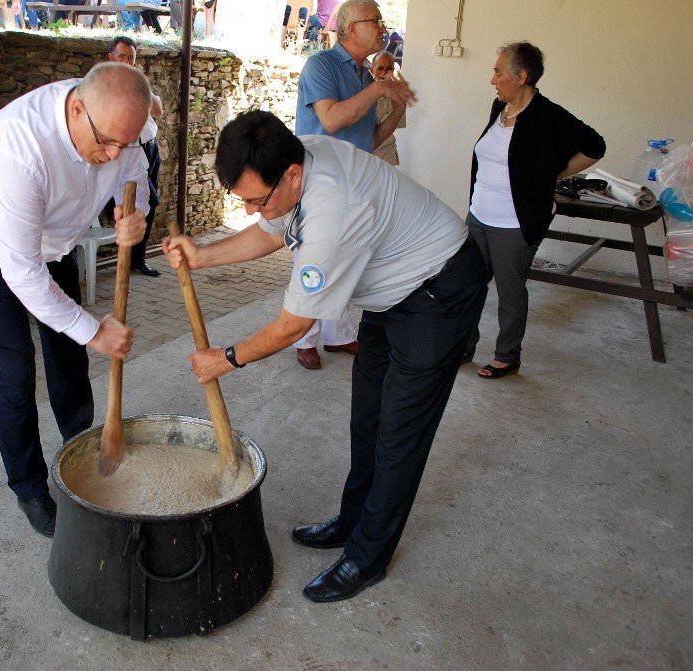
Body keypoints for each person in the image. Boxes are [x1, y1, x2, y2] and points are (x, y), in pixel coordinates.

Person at [162, 110, 487, 603]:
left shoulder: (335, 211)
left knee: (400, 436)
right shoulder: (300, 154)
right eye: (242, 199)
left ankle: (367, 557)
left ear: (292, 175)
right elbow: (273, 228)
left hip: (438, 295)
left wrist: (224, 359)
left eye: (255, 199)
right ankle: (353, 522)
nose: (251, 210)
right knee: (368, 419)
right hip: (390, 294)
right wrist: (203, 255)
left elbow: (295, 324)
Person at [0, 63, 152, 538]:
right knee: (14, 365)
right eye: (106, 143)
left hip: (54, 242)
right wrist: (96, 330)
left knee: (67, 351)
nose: (115, 152)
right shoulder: (20, 148)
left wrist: (132, 213)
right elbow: (23, 275)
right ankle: (30, 487)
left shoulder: (121, 124)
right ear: (77, 109)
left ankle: (79, 443)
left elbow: (136, 173)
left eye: (126, 141)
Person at [464, 42, 605, 378]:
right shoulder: (499, 108)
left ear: (521, 76)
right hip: (479, 215)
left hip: (514, 222)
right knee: (467, 285)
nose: (493, 79)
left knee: (510, 291)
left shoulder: (548, 116)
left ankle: (507, 356)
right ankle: (462, 347)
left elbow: (595, 146)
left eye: (499, 72)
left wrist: (551, 174)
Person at [292, 0, 415, 369]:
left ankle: (338, 334)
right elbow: (330, 120)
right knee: (311, 259)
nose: (383, 26)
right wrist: (379, 91)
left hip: (356, 180)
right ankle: (303, 337)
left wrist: (397, 110)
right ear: (349, 29)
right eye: (374, 20)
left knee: (348, 255)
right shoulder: (322, 65)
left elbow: (370, 138)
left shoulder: (365, 75)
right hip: (320, 183)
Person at [105, 37, 165, 277]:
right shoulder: (105, 84)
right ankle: (129, 258)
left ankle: (136, 259)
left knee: (148, 203)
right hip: (126, 153)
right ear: (111, 58)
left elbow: (158, 111)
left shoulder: (138, 83)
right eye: (123, 57)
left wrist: (140, 89)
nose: (128, 62)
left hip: (149, 147)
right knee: (139, 204)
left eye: (131, 58)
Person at [369, 51, 404, 167]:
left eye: (389, 69)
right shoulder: (362, 93)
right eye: (380, 68)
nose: (384, 73)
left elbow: (397, 124)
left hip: (387, 153)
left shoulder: (396, 95)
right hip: (365, 153)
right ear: (371, 70)